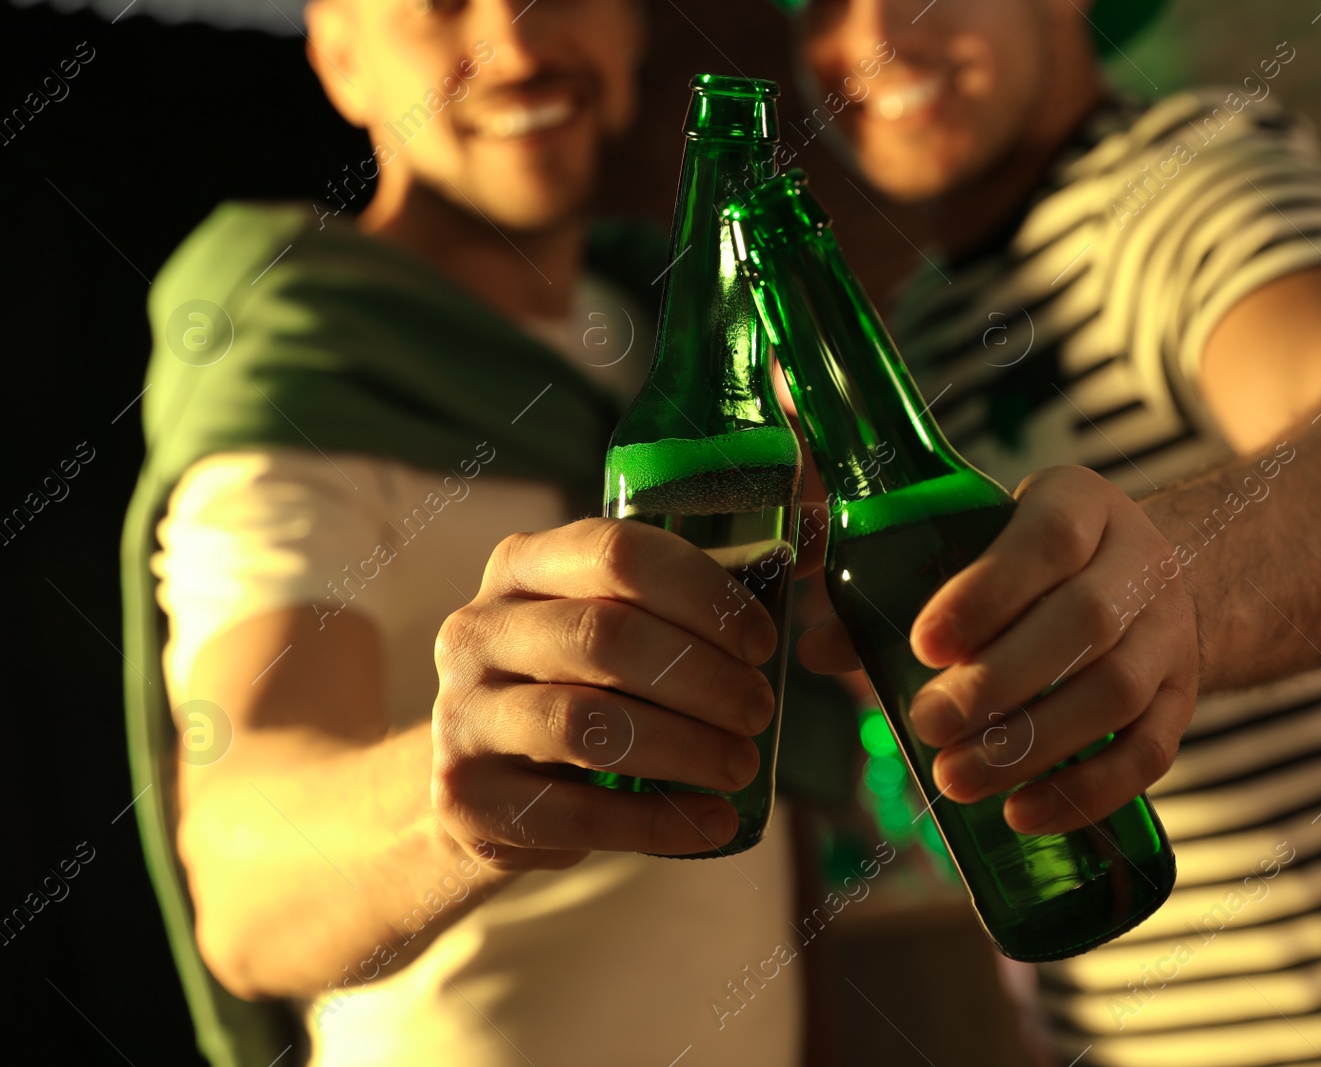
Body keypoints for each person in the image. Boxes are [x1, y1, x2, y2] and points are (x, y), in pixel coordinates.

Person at [787, 0, 1321, 1064]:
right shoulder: (919, 327)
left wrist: (1162, 587)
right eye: (821, 3)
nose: (876, 31)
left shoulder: (1188, 173)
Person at [122, 1, 847, 1064]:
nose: (517, 46)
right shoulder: (303, 375)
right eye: (440, 4)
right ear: (339, 55)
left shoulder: (674, 338)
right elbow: (244, 892)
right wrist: (456, 794)